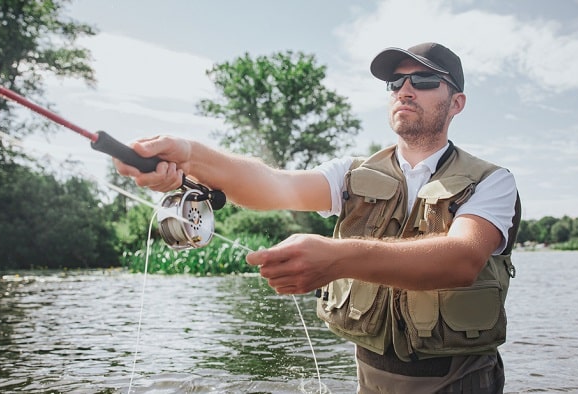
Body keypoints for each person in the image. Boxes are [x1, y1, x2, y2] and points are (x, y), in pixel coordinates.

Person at [115, 42, 520, 393]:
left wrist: (336, 258)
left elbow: (460, 259)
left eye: (425, 81)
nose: (406, 90)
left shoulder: (493, 181)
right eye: (396, 83)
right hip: (371, 380)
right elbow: (271, 185)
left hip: (464, 383)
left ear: (457, 103)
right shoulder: (349, 173)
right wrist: (188, 155)